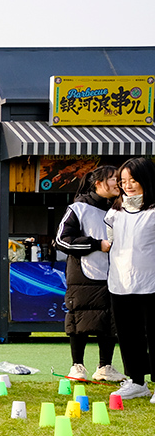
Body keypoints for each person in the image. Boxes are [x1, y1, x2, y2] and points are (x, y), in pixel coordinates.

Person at [54, 165, 124, 383]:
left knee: (110, 321)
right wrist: (95, 244)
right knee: (79, 319)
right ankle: (77, 366)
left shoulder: (119, 209)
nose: (118, 183)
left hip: (114, 274)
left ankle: (105, 367)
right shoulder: (78, 208)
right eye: (113, 179)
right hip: (83, 275)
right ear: (98, 183)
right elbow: (61, 241)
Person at [106, 157, 155, 400]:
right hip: (120, 283)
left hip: (151, 283)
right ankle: (137, 381)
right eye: (123, 181)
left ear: (146, 180)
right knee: (128, 334)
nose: (128, 185)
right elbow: (111, 242)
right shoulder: (115, 211)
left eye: (133, 180)